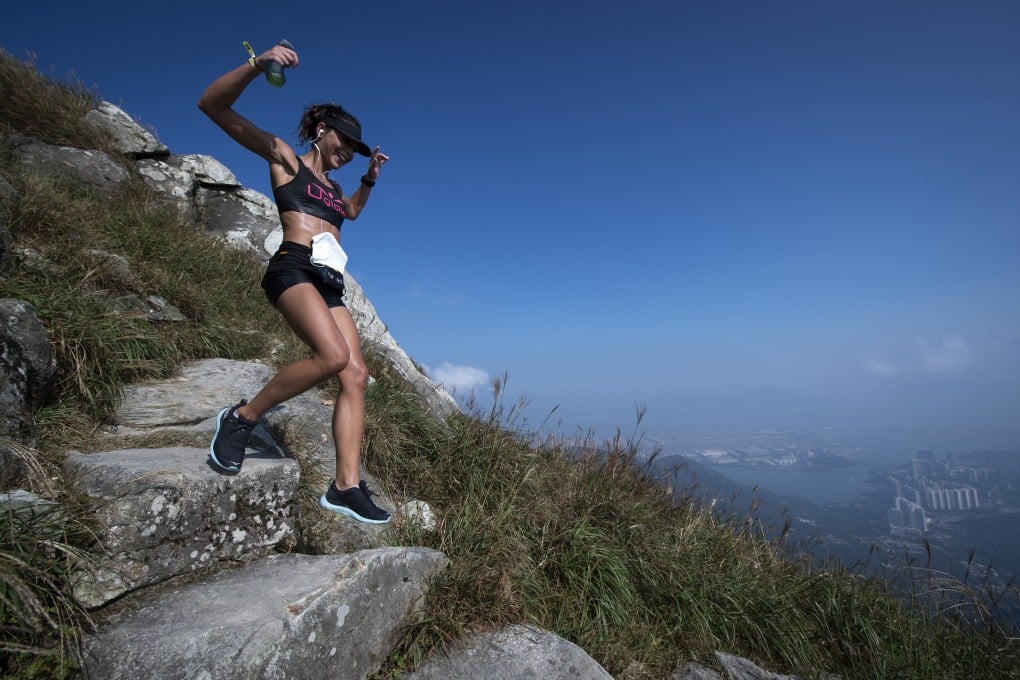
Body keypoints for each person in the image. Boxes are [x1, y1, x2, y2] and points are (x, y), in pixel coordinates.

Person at [198, 42, 391, 524]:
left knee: (356, 375)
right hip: (292, 265)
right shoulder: (285, 158)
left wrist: (367, 180)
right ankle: (242, 417)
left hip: (328, 279)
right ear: (322, 131)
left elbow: (348, 213)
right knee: (332, 358)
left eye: (355, 148)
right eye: (343, 142)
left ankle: (345, 486)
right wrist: (256, 64)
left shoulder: (334, 189)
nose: (347, 152)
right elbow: (212, 105)